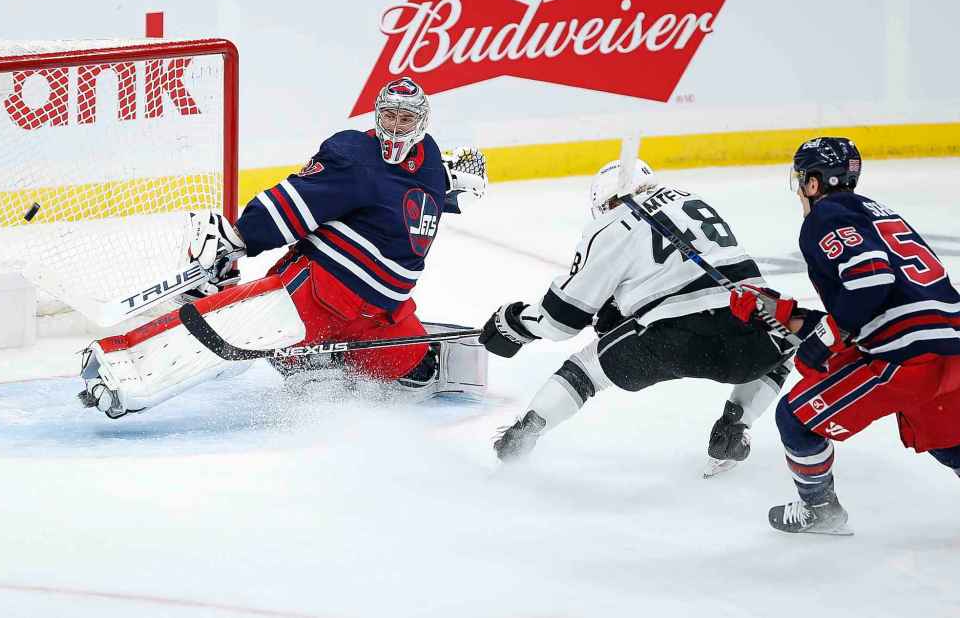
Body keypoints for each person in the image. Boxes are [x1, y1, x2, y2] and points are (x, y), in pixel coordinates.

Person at [78, 77, 488, 418]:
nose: (397, 127)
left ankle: (307, 352)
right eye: (390, 117)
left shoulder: (431, 159)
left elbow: (422, 196)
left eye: (407, 119)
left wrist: (463, 178)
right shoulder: (355, 156)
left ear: (423, 122)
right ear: (377, 116)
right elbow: (297, 200)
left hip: (382, 313)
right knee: (224, 335)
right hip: (320, 291)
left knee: (417, 373)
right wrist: (241, 239)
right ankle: (118, 362)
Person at [479, 158, 791, 474]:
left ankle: (525, 432)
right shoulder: (688, 198)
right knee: (786, 341)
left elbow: (560, 321)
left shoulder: (609, 225)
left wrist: (515, 322)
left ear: (603, 203)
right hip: (753, 328)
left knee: (586, 369)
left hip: (679, 338)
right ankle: (734, 426)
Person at [729, 137, 960, 535]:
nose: (800, 189)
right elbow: (876, 307)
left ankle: (820, 512)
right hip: (950, 346)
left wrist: (826, 336)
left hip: (905, 358)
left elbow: (870, 282)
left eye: (802, 179)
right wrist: (779, 312)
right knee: (945, 437)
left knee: (795, 419)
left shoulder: (824, 217)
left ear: (815, 183)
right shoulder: (879, 214)